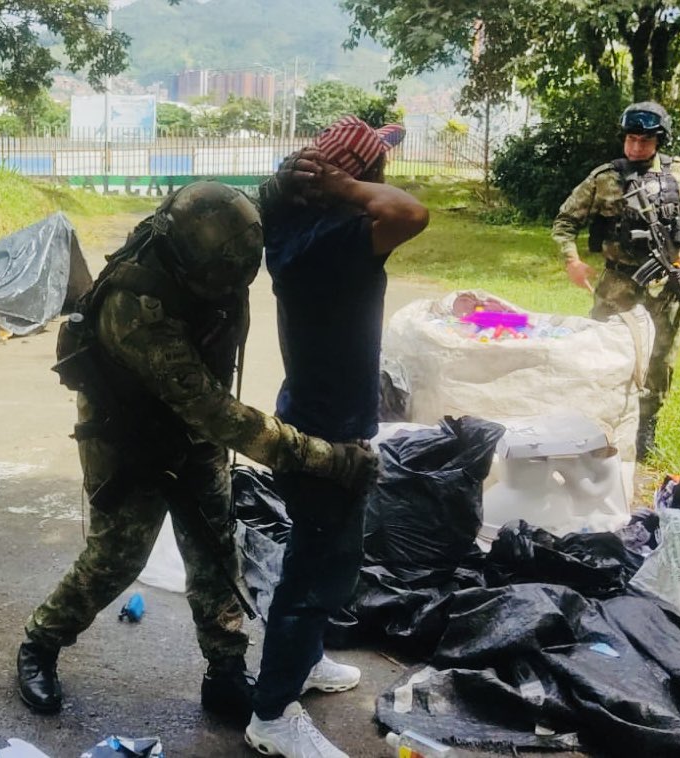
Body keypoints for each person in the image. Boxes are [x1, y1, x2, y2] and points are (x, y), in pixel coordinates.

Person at [16, 181, 378, 725]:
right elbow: (217, 415)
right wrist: (327, 458)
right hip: (127, 433)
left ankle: (225, 672)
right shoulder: (137, 310)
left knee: (214, 551)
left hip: (193, 421)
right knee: (116, 558)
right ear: (187, 263)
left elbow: (249, 206)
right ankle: (40, 643)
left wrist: (285, 183)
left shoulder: (211, 228)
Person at [245, 116, 430, 758]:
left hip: (310, 414)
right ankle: (272, 714)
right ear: (356, 177)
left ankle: (308, 658)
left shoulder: (294, 229)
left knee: (326, 555)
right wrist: (349, 186)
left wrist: (328, 181)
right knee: (313, 570)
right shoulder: (342, 239)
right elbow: (414, 214)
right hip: (330, 434)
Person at [551, 101, 680, 461]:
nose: (636, 146)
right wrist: (573, 260)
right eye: (631, 138)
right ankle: (595, 424)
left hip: (668, 287)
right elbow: (565, 222)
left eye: (645, 140)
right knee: (601, 353)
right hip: (618, 284)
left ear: (660, 140)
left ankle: (645, 429)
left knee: (660, 360)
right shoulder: (604, 178)